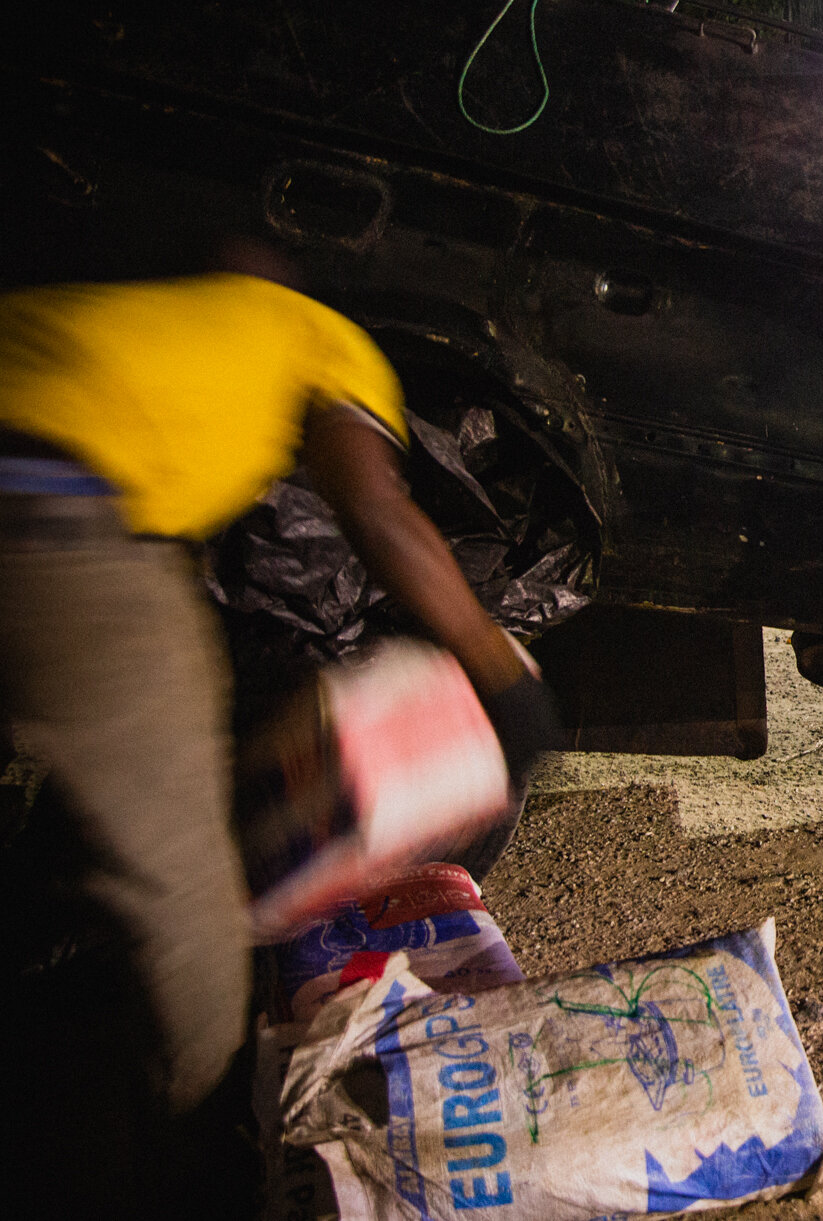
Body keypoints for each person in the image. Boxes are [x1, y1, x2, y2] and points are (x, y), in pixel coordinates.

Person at [0, 238, 558, 1207]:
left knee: (149, 720)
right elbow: (375, 513)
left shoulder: (153, 313)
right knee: (193, 909)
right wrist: (500, 674)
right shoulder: (326, 342)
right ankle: (199, 1169)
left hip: (51, 475)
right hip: (45, 507)